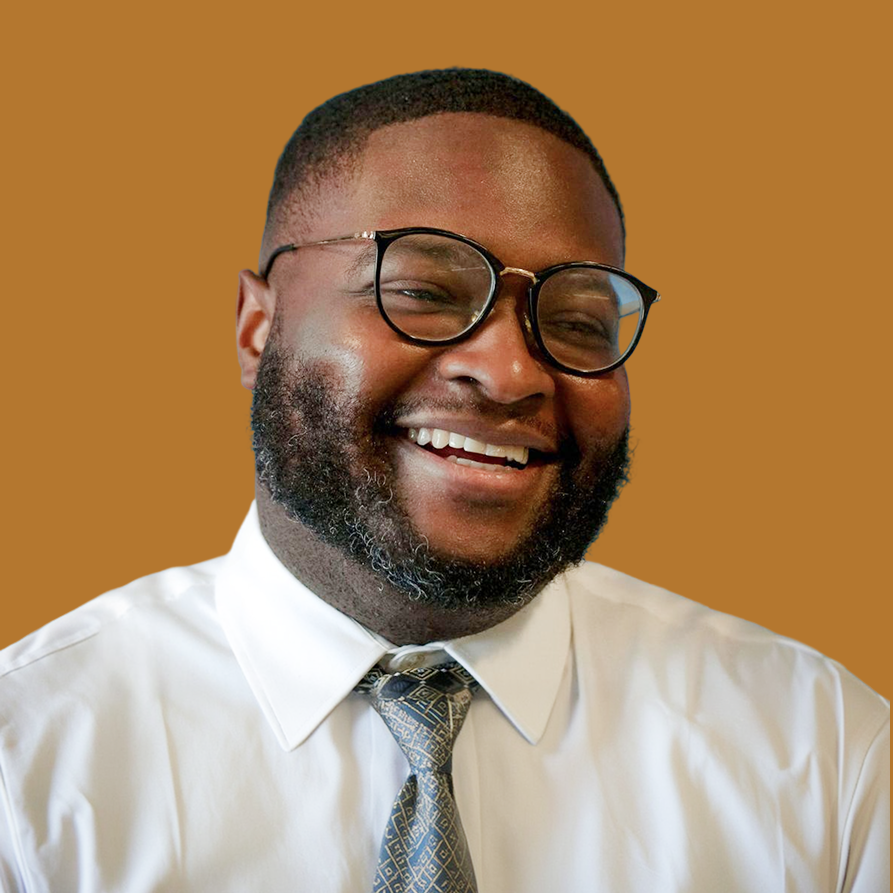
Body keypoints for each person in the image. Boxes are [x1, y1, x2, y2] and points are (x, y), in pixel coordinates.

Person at [0, 69, 887, 892]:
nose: (509, 372)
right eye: (422, 290)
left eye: (578, 320)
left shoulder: (824, 760)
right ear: (257, 329)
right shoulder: (28, 765)